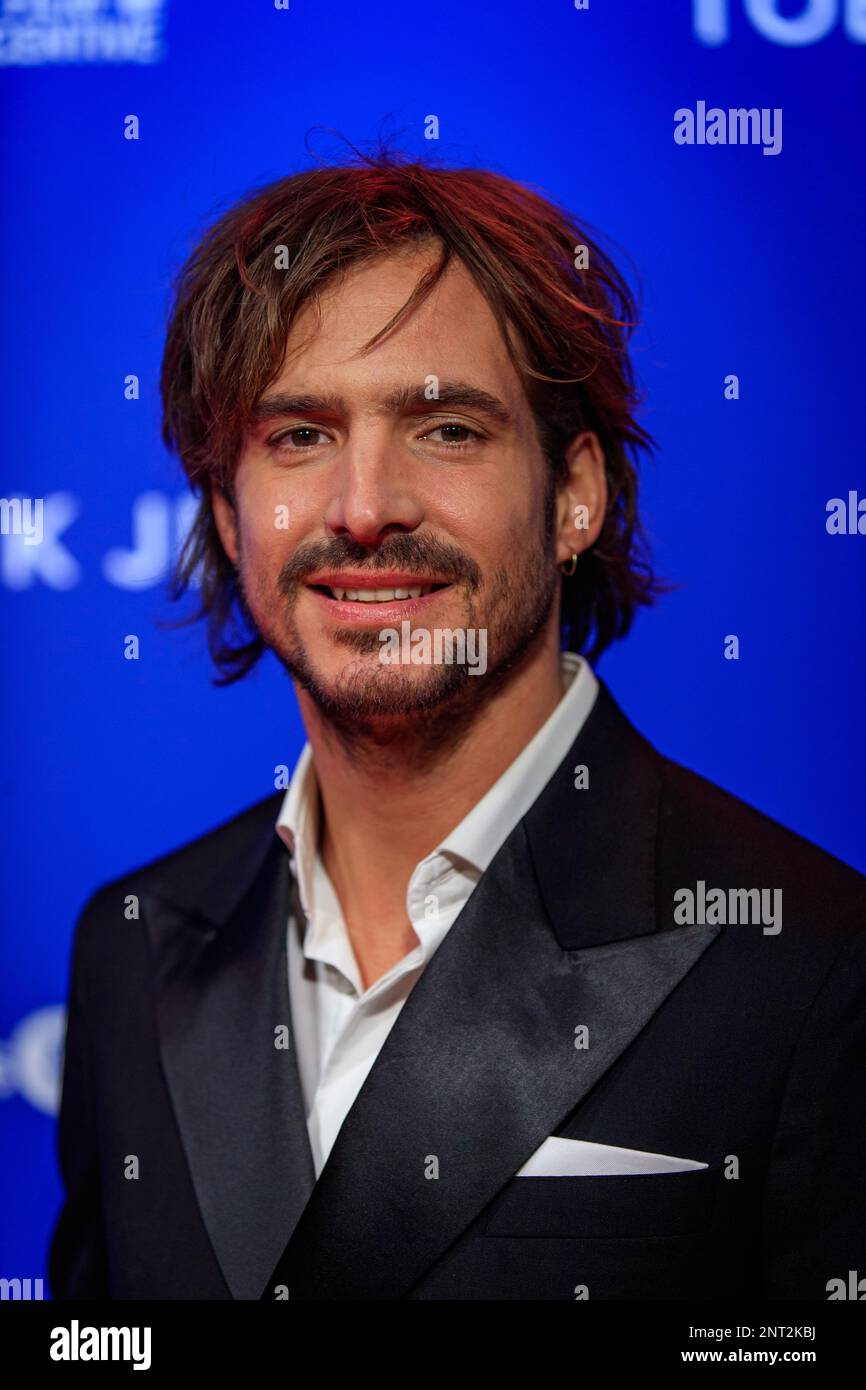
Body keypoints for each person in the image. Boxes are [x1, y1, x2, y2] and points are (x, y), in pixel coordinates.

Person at [48, 148, 866, 1301]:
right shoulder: (129, 947)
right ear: (228, 516)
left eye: (445, 430)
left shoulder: (816, 965)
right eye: (298, 435)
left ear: (573, 493)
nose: (364, 505)